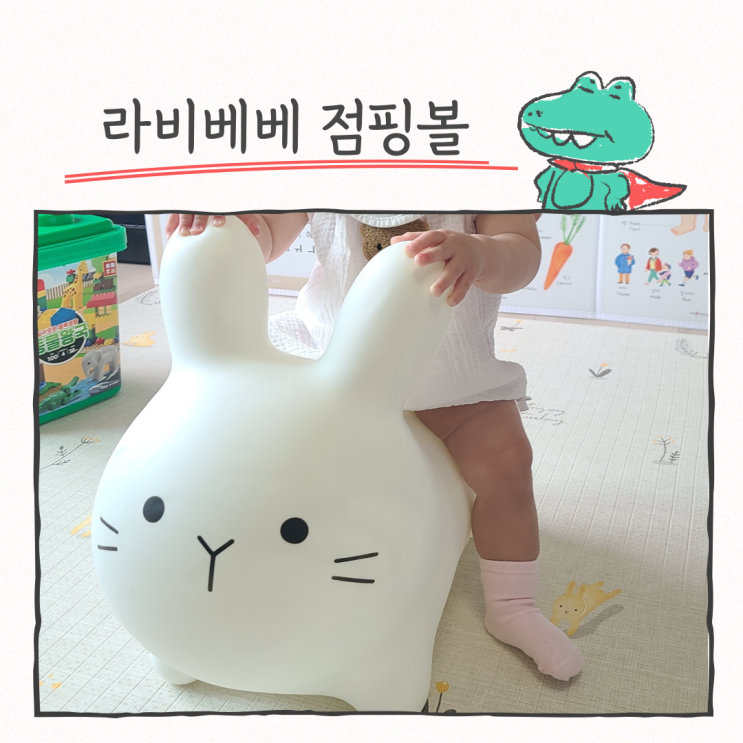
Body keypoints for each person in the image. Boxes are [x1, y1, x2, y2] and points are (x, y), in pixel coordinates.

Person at [165, 211, 583, 681]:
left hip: (447, 374)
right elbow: (271, 231)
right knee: (265, 445)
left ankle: (512, 605)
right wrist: (233, 227)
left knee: (507, 461)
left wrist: (482, 253)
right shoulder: (326, 172)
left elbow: (522, 252)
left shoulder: (481, 175)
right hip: (331, 362)